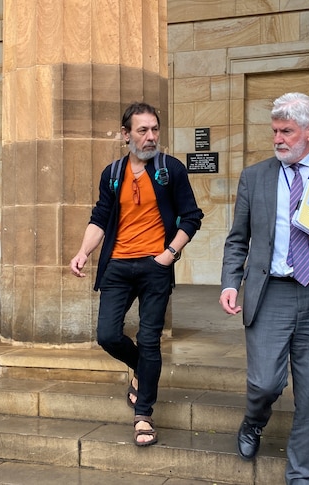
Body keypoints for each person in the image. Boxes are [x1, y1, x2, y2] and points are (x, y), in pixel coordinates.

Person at [219, 92, 309, 484]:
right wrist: (231, 282)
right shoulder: (255, 177)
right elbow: (238, 239)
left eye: (287, 131)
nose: (279, 139)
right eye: (275, 131)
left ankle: (301, 476)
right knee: (265, 381)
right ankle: (254, 421)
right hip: (272, 292)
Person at [70, 102, 204, 447]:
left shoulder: (170, 170)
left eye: (154, 129)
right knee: (108, 335)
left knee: (149, 339)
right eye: (142, 130)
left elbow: (191, 217)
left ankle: (143, 414)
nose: (150, 136)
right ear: (125, 134)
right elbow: (100, 217)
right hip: (117, 265)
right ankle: (141, 371)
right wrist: (84, 252)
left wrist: (169, 254)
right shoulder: (112, 173)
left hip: (155, 266)